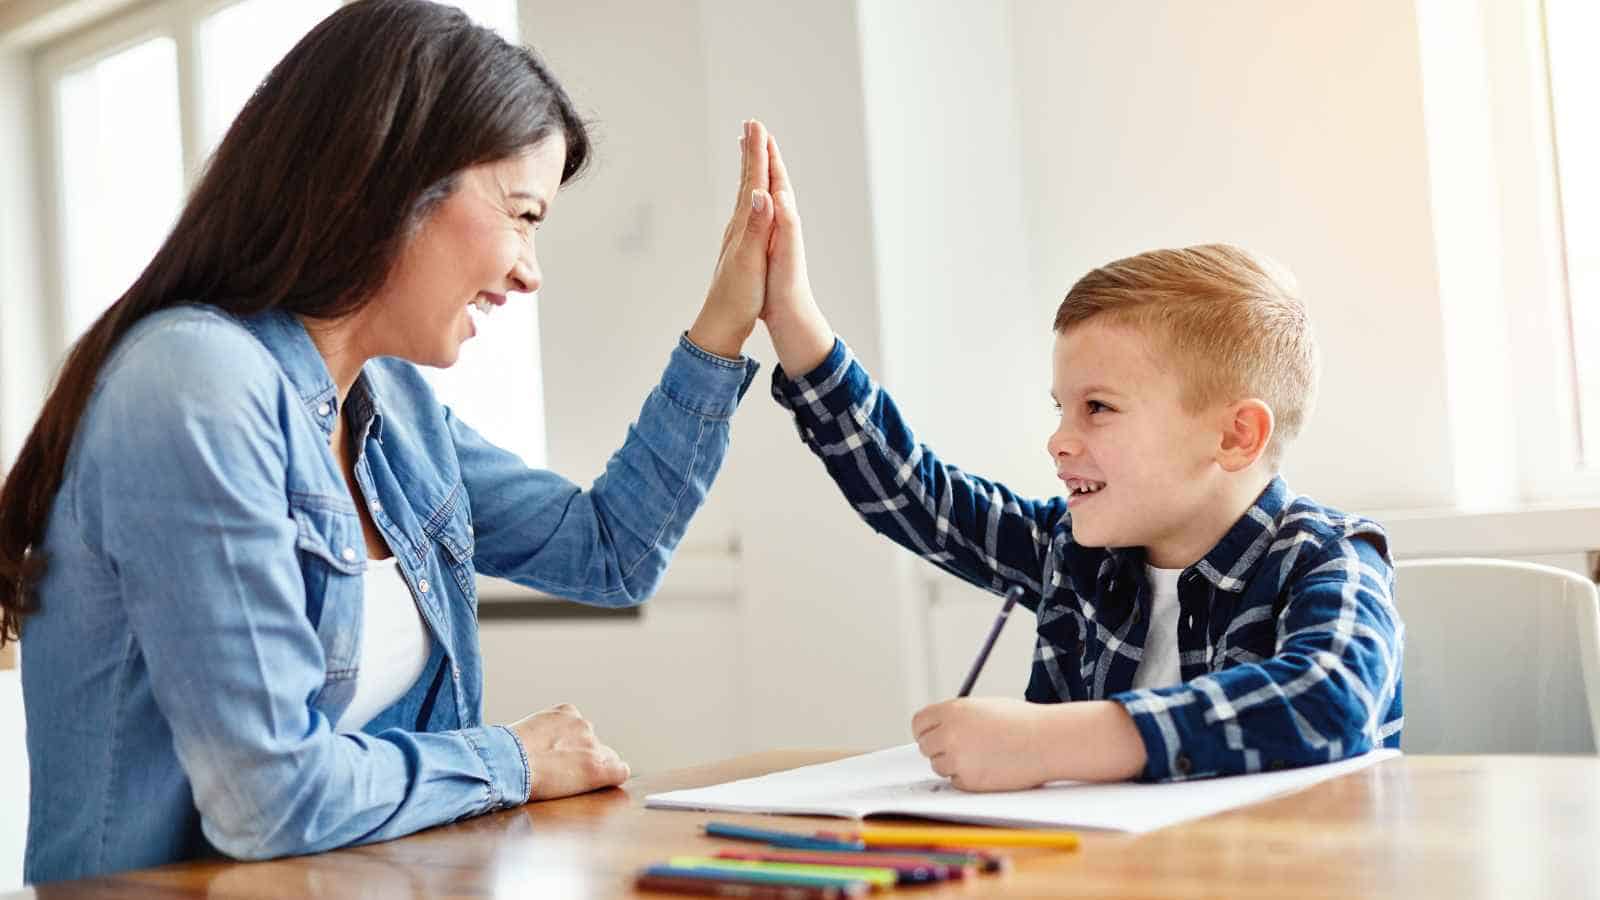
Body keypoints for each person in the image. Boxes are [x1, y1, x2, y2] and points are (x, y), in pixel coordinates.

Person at [0, 0, 781, 883]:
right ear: (392, 180)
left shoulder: (392, 407)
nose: (530, 269)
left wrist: (724, 325)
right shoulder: (194, 385)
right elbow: (271, 799)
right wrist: (513, 760)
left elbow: (611, 553)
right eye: (523, 214)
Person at [753, 135, 1403, 788]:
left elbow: (1331, 699)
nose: (1058, 440)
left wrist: (1052, 743)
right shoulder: (1075, 550)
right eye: (1060, 407)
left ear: (1235, 437)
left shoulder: (1327, 557)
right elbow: (919, 498)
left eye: (1098, 407)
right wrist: (794, 322)